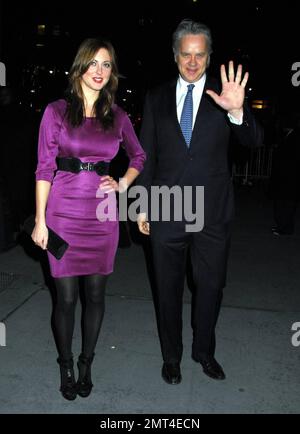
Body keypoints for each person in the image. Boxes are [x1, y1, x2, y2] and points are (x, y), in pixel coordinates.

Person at [137, 19, 263, 384]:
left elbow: (254, 142)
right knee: (167, 287)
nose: (192, 62)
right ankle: (171, 356)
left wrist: (237, 112)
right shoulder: (156, 96)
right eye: (186, 54)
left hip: (212, 211)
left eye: (200, 55)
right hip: (167, 207)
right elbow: (147, 154)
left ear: (209, 57)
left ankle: (203, 351)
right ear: (175, 55)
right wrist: (142, 204)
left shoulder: (224, 95)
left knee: (210, 286)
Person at [32, 38, 145, 400]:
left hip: (102, 215)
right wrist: (39, 220)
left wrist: (123, 182)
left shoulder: (120, 116)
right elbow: (44, 168)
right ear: (79, 67)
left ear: (112, 73)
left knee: (96, 296)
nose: (99, 71)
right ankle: (65, 364)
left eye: (107, 65)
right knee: (65, 299)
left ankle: (86, 363)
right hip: (62, 213)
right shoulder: (56, 111)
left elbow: (138, 155)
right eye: (93, 63)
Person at [270, 111, 300, 235]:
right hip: (289, 178)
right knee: (286, 204)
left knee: (285, 204)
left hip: (288, 177)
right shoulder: (291, 137)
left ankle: (284, 228)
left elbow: (289, 158)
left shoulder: (294, 138)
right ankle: (284, 227)